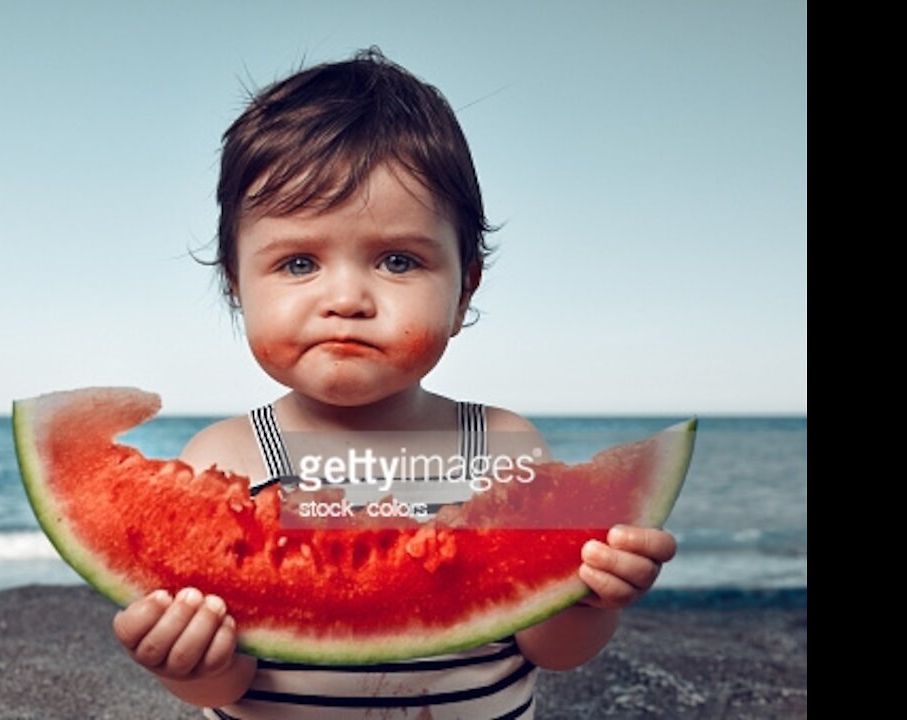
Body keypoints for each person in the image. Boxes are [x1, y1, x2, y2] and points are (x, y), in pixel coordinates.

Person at [111, 48, 677, 719]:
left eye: (398, 260)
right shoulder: (222, 458)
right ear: (237, 286)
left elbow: (550, 646)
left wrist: (585, 600)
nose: (347, 298)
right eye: (298, 263)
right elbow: (224, 687)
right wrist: (189, 661)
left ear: (463, 290)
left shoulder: (502, 448)